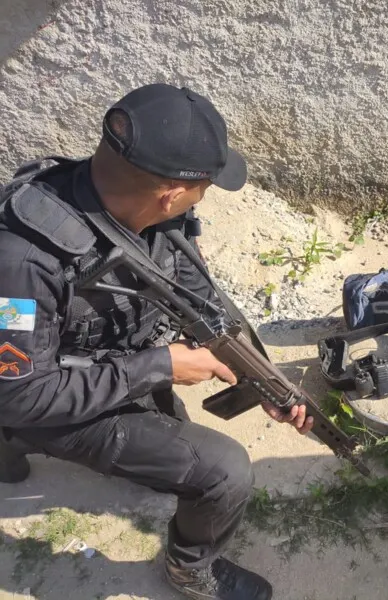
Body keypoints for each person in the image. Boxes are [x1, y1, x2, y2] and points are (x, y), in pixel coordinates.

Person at [0, 83, 312, 600]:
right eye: (201, 190)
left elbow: (192, 289)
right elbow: (17, 395)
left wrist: (264, 380)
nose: (199, 202)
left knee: (176, 438)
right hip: (45, 398)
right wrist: (160, 366)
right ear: (169, 191)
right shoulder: (19, 267)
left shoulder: (128, 199)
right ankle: (191, 572)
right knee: (224, 472)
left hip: (113, 362)